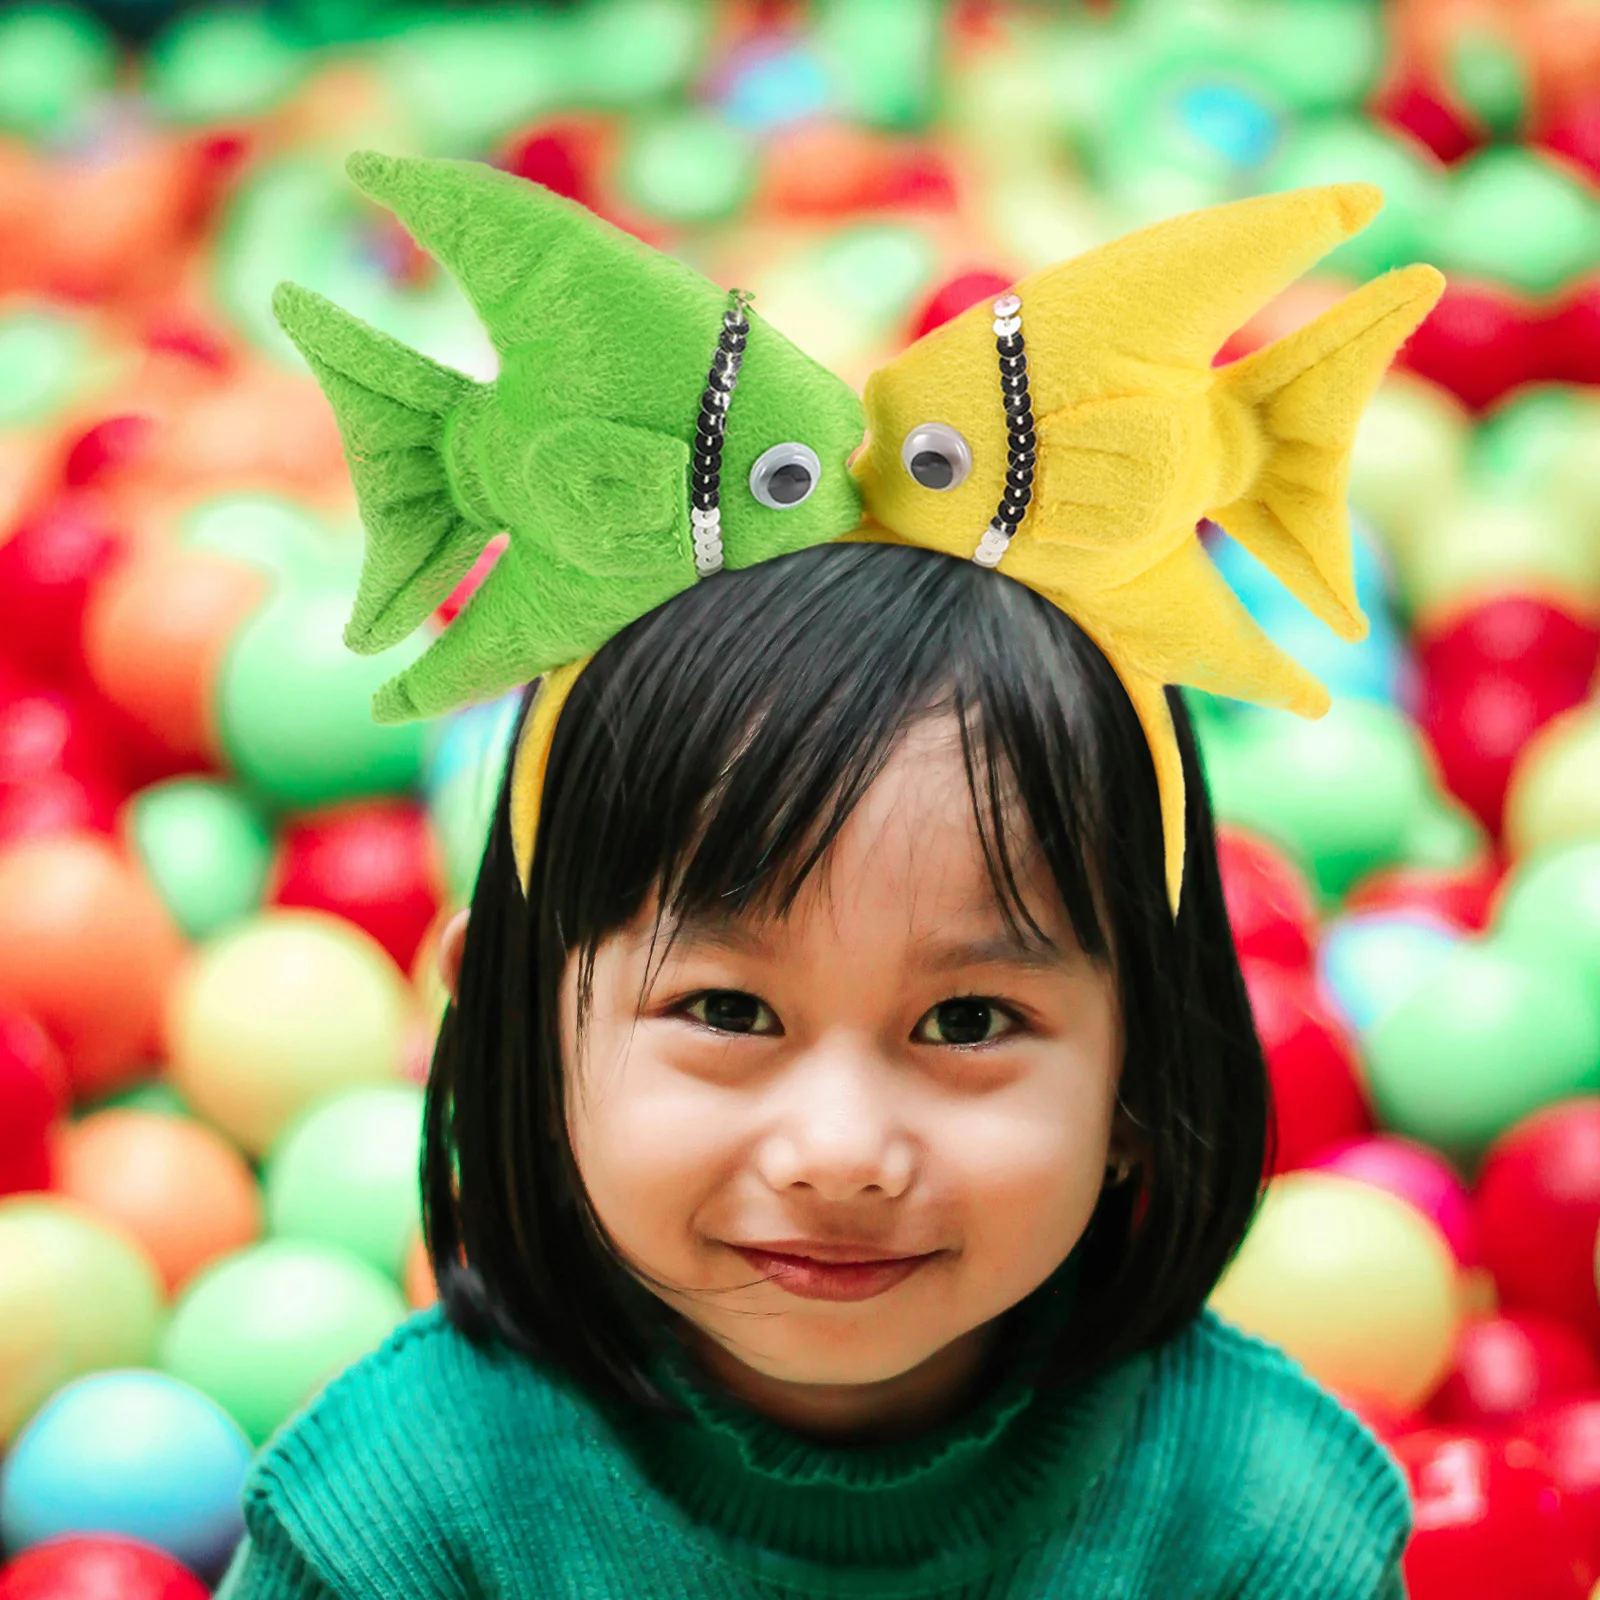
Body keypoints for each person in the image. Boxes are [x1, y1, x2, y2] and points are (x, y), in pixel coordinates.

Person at [218, 154, 1441, 1599]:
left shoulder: (1254, 1523)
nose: (842, 1148)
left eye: (969, 1021)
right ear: (516, 1018)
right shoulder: (400, 1522)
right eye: (730, 1012)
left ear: (1142, 1070)